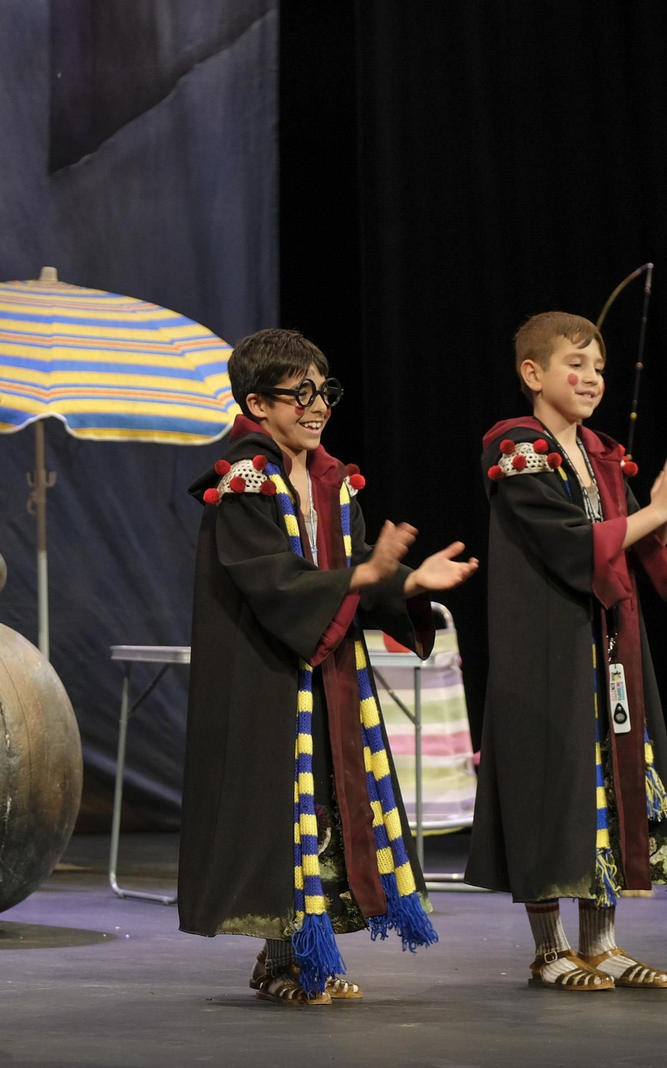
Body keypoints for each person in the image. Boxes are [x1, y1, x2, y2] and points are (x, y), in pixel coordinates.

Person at [178, 328, 478, 1005]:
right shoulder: (244, 483)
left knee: (328, 812)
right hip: (267, 672)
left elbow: (357, 575)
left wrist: (405, 582)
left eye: (325, 392)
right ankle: (286, 957)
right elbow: (273, 583)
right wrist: (364, 576)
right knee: (284, 811)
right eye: (300, 395)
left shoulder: (334, 483)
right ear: (257, 405)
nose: (318, 407)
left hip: (330, 671)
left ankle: (302, 954)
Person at [465, 311, 667, 991]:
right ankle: (550, 950)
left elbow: (641, 544)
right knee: (550, 782)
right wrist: (658, 508)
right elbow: (572, 542)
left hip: (609, 648)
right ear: (533, 374)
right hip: (544, 647)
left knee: (607, 778)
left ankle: (602, 944)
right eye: (575, 363)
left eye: (599, 367)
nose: (591, 378)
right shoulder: (516, 449)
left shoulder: (600, 453)